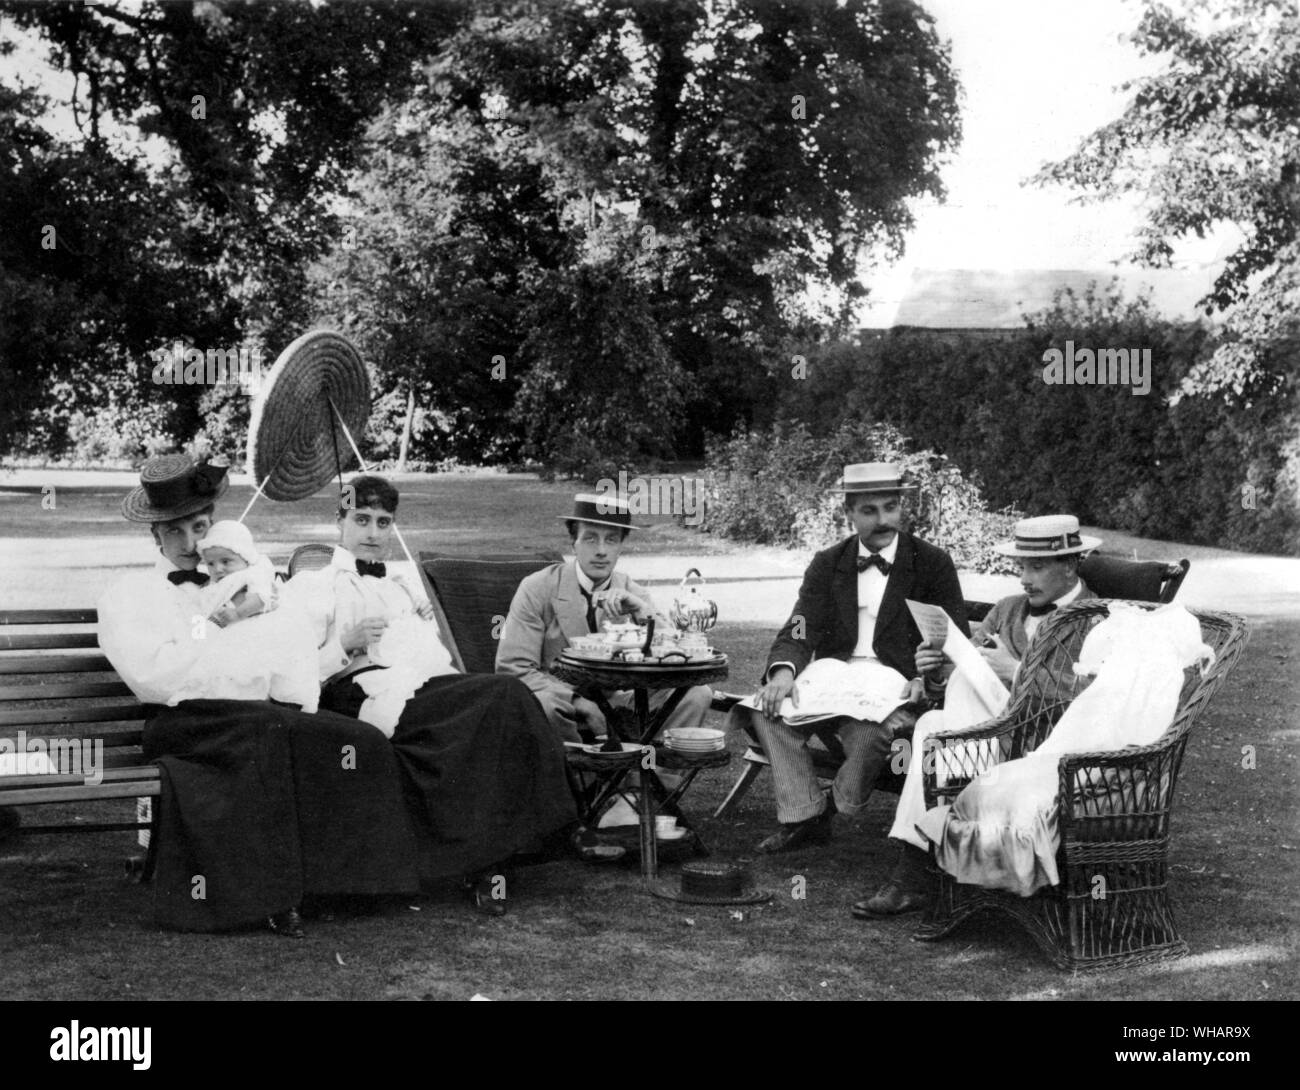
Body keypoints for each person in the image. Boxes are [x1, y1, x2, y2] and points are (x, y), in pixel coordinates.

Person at [98, 454, 423, 938]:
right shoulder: (130, 594)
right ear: (155, 535)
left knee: (355, 739)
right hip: (182, 720)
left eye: (200, 527)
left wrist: (248, 643)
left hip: (253, 711)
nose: (191, 545)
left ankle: (348, 886)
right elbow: (155, 677)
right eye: (175, 532)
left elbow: (282, 653)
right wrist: (222, 643)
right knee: (268, 733)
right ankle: (269, 898)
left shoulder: (245, 581)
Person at [281, 475, 582, 912]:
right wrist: (342, 643)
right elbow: (291, 670)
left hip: (418, 684)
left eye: (383, 523)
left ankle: (494, 858)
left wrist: (422, 624)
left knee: (506, 696)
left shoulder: (398, 586)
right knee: (500, 698)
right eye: (361, 520)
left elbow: (435, 661)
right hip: (359, 692)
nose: (372, 533)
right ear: (339, 522)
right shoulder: (311, 587)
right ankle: (523, 845)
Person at [852, 513, 1100, 918]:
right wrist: (934, 670)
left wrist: (1017, 672)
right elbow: (963, 670)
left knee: (935, 731)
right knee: (933, 723)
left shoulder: (1097, 620)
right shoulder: (1006, 610)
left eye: (1036, 567)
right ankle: (915, 872)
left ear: (1070, 566)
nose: (1023, 577)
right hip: (984, 736)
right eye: (1021, 566)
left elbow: (1095, 697)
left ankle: (912, 874)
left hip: (1045, 745)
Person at [734, 462, 969, 854]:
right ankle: (804, 815)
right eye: (869, 511)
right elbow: (799, 626)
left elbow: (953, 638)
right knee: (765, 710)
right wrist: (781, 673)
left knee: (870, 735)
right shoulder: (829, 562)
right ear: (848, 513)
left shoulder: (931, 562)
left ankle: (831, 809)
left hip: (895, 686)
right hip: (833, 682)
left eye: (891, 507)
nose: (883, 520)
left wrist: (925, 678)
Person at [495, 493, 713, 745]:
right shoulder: (537, 587)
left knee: (696, 693)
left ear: (621, 546)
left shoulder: (632, 591)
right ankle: (576, 781)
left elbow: (674, 656)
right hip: (561, 698)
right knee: (545, 705)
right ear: (573, 542)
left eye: (611, 540)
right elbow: (514, 666)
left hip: (621, 699)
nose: (601, 551)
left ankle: (649, 780)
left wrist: (642, 612)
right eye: (590, 539)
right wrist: (579, 703)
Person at [165, 519, 321, 712]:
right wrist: (202, 630)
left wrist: (237, 614)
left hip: (252, 631)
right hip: (222, 638)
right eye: (211, 564)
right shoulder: (209, 587)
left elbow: (260, 599)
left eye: (226, 561)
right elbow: (201, 612)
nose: (218, 569)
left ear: (245, 559)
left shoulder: (253, 575)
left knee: (251, 669)